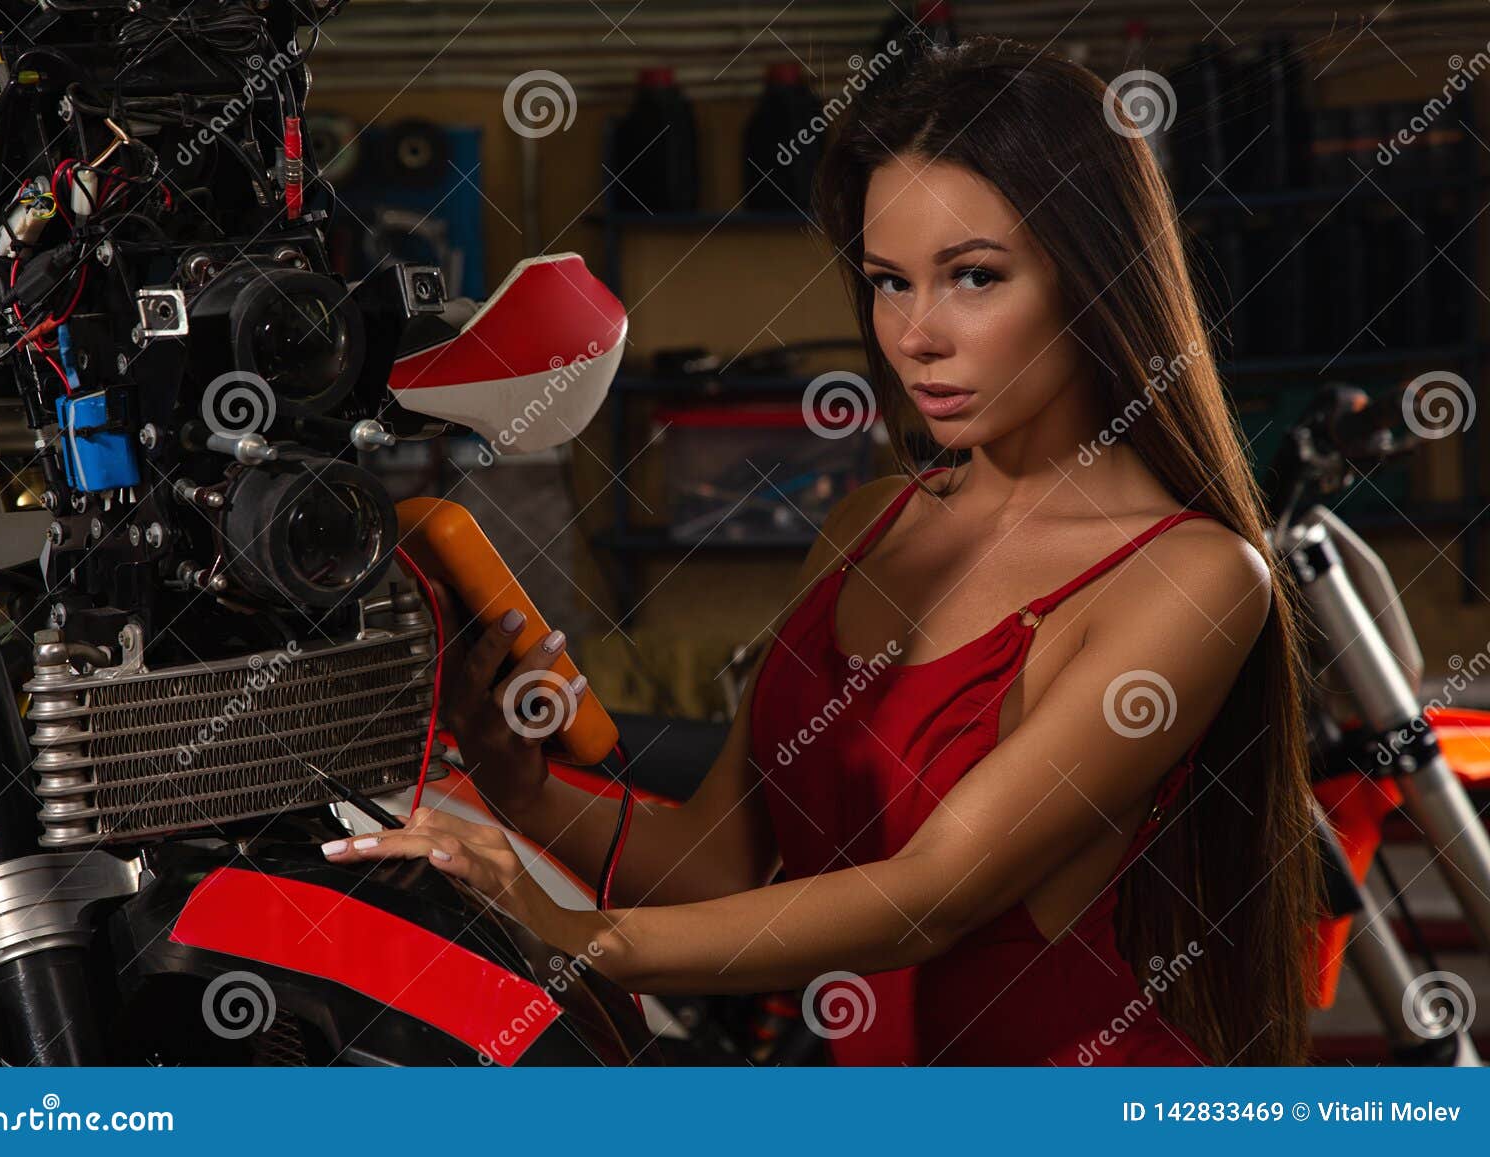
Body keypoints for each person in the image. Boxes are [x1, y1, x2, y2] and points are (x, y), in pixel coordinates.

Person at [324, 36, 1320, 1066]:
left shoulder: (1191, 577)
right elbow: (721, 860)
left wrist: (581, 936)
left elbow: (932, 895)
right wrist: (524, 791)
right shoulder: (872, 522)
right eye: (889, 281)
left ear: (1093, 275)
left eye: (973, 276)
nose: (915, 334)